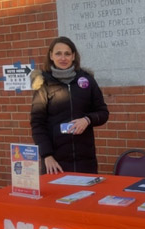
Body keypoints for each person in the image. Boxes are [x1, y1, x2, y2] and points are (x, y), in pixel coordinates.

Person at [30, 36, 109, 174]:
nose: (63, 58)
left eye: (67, 53)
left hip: (85, 161)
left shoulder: (87, 80)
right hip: (55, 163)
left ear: (73, 56)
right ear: (51, 56)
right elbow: (37, 123)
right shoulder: (43, 84)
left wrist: (87, 120)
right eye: (58, 53)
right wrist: (46, 156)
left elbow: (103, 112)